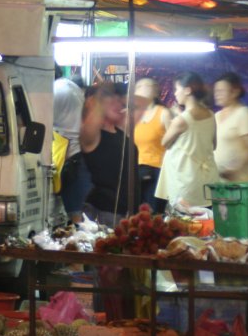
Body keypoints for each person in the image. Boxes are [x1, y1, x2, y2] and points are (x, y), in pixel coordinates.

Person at [79, 82, 138, 227]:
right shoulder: (92, 137)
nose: (118, 105)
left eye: (120, 102)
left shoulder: (121, 135)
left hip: (126, 212)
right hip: (104, 212)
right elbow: (93, 116)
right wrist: (101, 94)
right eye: (112, 101)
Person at [155, 72, 217, 210]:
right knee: (206, 221)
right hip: (207, 180)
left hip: (185, 179)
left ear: (187, 90)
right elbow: (214, 145)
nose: (175, 93)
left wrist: (177, 117)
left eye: (177, 89)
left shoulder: (181, 120)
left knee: (185, 224)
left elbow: (165, 142)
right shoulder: (211, 115)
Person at [53, 75, 91, 223]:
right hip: (78, 156)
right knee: (79, 213)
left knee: (77, 215)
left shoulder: (57, 90)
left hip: (70, 158)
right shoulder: (71, 89)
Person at [213, 72, 248, 182]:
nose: (217, 94)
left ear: (235, 92)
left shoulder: (244, 114)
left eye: (221, 91)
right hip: (218, 180)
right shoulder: (216, 116)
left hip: (240, 180)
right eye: (216, 91)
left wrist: (234, 168)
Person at [132, 77, 171, 213]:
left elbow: (174, 144)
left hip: (158, 171)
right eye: (139, 86)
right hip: (135, 170)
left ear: (156, 91)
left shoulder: (163, 113)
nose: (143, 88)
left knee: (154, 214)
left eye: (147, 85)